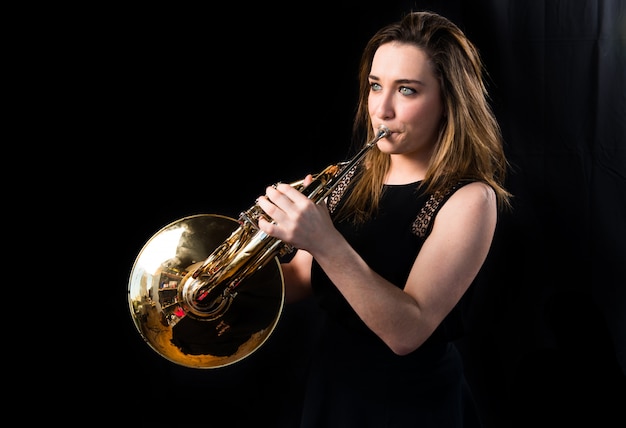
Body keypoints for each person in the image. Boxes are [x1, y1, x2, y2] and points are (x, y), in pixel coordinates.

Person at [256, 10, 512, 428]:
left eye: (407, 90)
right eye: (376, 86)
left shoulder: (470, 198)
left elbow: (407, 333)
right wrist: (224, 281)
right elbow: (303, 278)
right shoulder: (349, 175)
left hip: (411, 402)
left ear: (449, 99)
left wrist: (322, 239)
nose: (383, 109)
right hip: (334, 386)